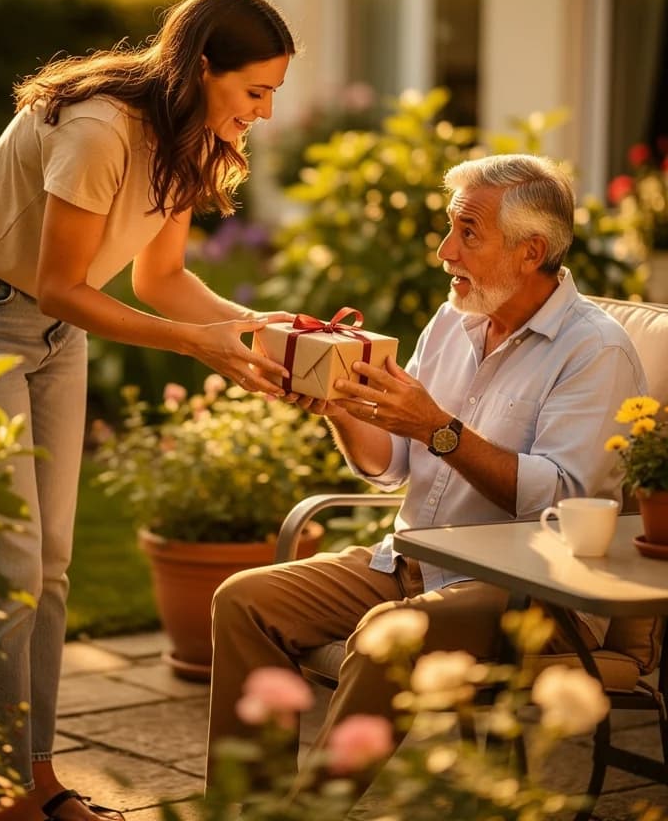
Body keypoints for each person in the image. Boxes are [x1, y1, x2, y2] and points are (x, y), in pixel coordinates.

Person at [0, 0, 297, 821]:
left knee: (49, 564)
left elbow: (161, 278)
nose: (265, 112)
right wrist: (195, 344)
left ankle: (36, 778)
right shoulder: (99, 129)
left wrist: (255, 328)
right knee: (5, 566)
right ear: (204, 67)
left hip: (54, 332)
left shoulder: (189, 136)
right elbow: (62, 285)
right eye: (256, 90)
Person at [207, 153, 648, 795]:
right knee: (244, 601)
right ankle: (248, 806)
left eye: (468, 232)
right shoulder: (453, 320)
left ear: (530, 251)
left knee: (385, 637)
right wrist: (338, 406)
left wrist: (438, 429)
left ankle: (308, 814)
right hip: (411, 563)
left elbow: (562, 502)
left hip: (532, 594)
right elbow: (391, 464)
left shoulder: (595, 351)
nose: (445, 251)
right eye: (449, 227)